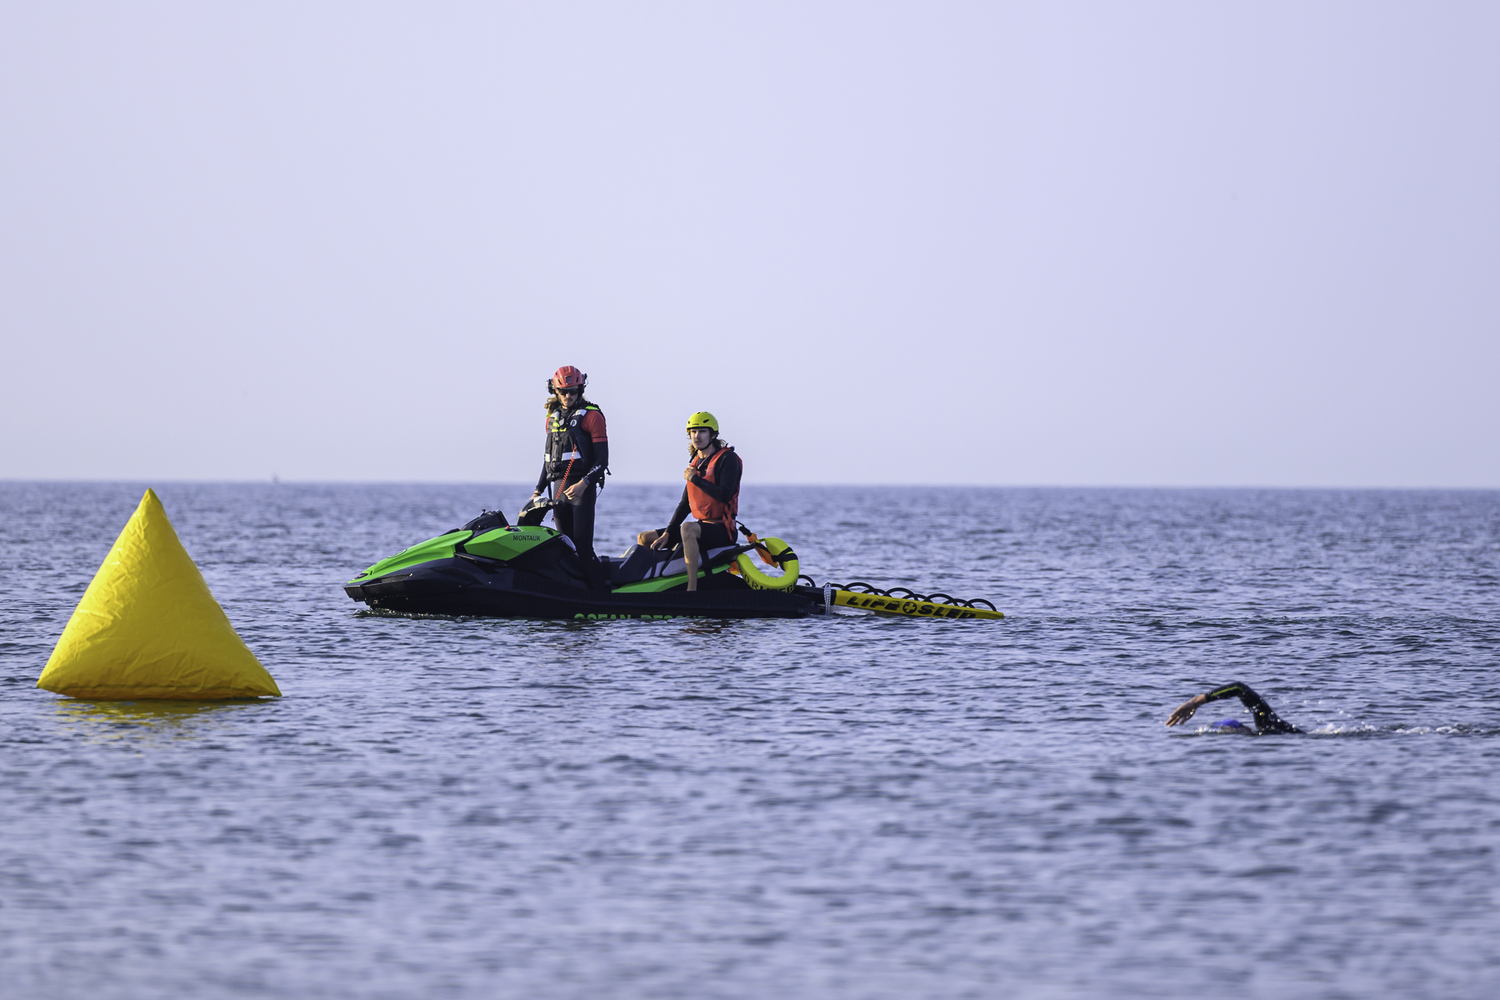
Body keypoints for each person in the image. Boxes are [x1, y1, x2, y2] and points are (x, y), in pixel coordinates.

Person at [636, 411, 742, 593]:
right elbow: (685, 504)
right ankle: (644, 586)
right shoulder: (696, 463)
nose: (696, 436)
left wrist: (696, 479)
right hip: (701, 527)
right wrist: (668, 533)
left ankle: (691, 590)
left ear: (713, 435)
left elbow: (724, 494)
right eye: (692, 432)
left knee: (687, 528)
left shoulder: (727, 459)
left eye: (701, 431)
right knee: (644, 538)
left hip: (723, 530)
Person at [523, 365, 609, 587]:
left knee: (582, 545)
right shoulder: (552, 418)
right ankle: (575, 591)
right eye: (563, 392)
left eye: (573, 391)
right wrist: (537, 491)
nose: (568, 396)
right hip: (558, 490)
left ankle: (602, 595)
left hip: (581, 490)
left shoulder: (592, 416)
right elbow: (548, 460)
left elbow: (602, 461)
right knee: (565, 545)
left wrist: (584, 483)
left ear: (580, 389)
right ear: (555, 391)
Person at [1164, 681, 1302, 734]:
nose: (1229, 733)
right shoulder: (1268, 730)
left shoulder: (1268, 725)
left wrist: (1196, 701)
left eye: (1230, 731)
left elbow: (1239, 688)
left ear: (1246, 728)